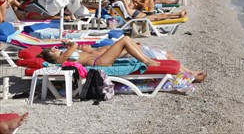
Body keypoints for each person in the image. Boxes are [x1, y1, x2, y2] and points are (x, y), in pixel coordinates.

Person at [71, 42, 206, 83]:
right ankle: (189, 76)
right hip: (140, 54)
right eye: (81, 46)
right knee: (167, 59)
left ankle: (190, 73)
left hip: (140, 51)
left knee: (169, 57)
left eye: (83, 45)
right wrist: (130, 48)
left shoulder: (97, 49)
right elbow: (118, 54)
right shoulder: (94, 54)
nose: (82, 46)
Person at [40, 36, 159, 67]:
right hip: (99, 62)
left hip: (99, 60)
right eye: (53, 49)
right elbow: (75, 44)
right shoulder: (61, 59)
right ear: (51, 56)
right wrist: (68, 44)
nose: (55, 48)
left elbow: (73, 45)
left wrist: (67, 44)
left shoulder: (64, 55)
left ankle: (147, 59)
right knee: (125, 39)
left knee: (127, 40)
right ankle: (146, 61)